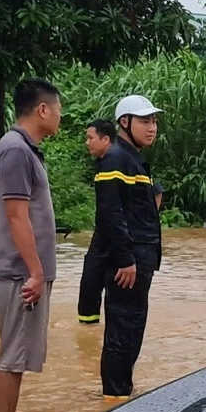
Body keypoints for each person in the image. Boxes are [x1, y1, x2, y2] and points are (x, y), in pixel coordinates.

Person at [0, 78, 62, 412]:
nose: (60, 117)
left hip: (26, 271)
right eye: (58, 109)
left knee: (16, 356)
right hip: (21, 273)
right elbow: (17, 216)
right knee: (12, 357)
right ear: (43, 110)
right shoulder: (16, 150)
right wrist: (34, 272)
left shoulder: (23, 149)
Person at [93, 96, 164, 401]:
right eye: (145, 121)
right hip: (129, 262)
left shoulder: (131, 157)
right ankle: (115, 397)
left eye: (154, 121)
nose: (152, 128)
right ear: (125, 123)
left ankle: (120, 392)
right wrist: (125, 258)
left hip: (139, 258)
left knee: (131, 328)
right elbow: (111, 212)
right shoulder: (118, 158)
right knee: (123, 330)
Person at [75, 119, 118, 328]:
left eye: (90, 137)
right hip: (102, 234)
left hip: (117, 235)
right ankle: (88, 332)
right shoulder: (101, 162)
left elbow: (155, 190)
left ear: (105, 139)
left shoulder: (119, 160)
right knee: (89, 283)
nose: (87, 142)